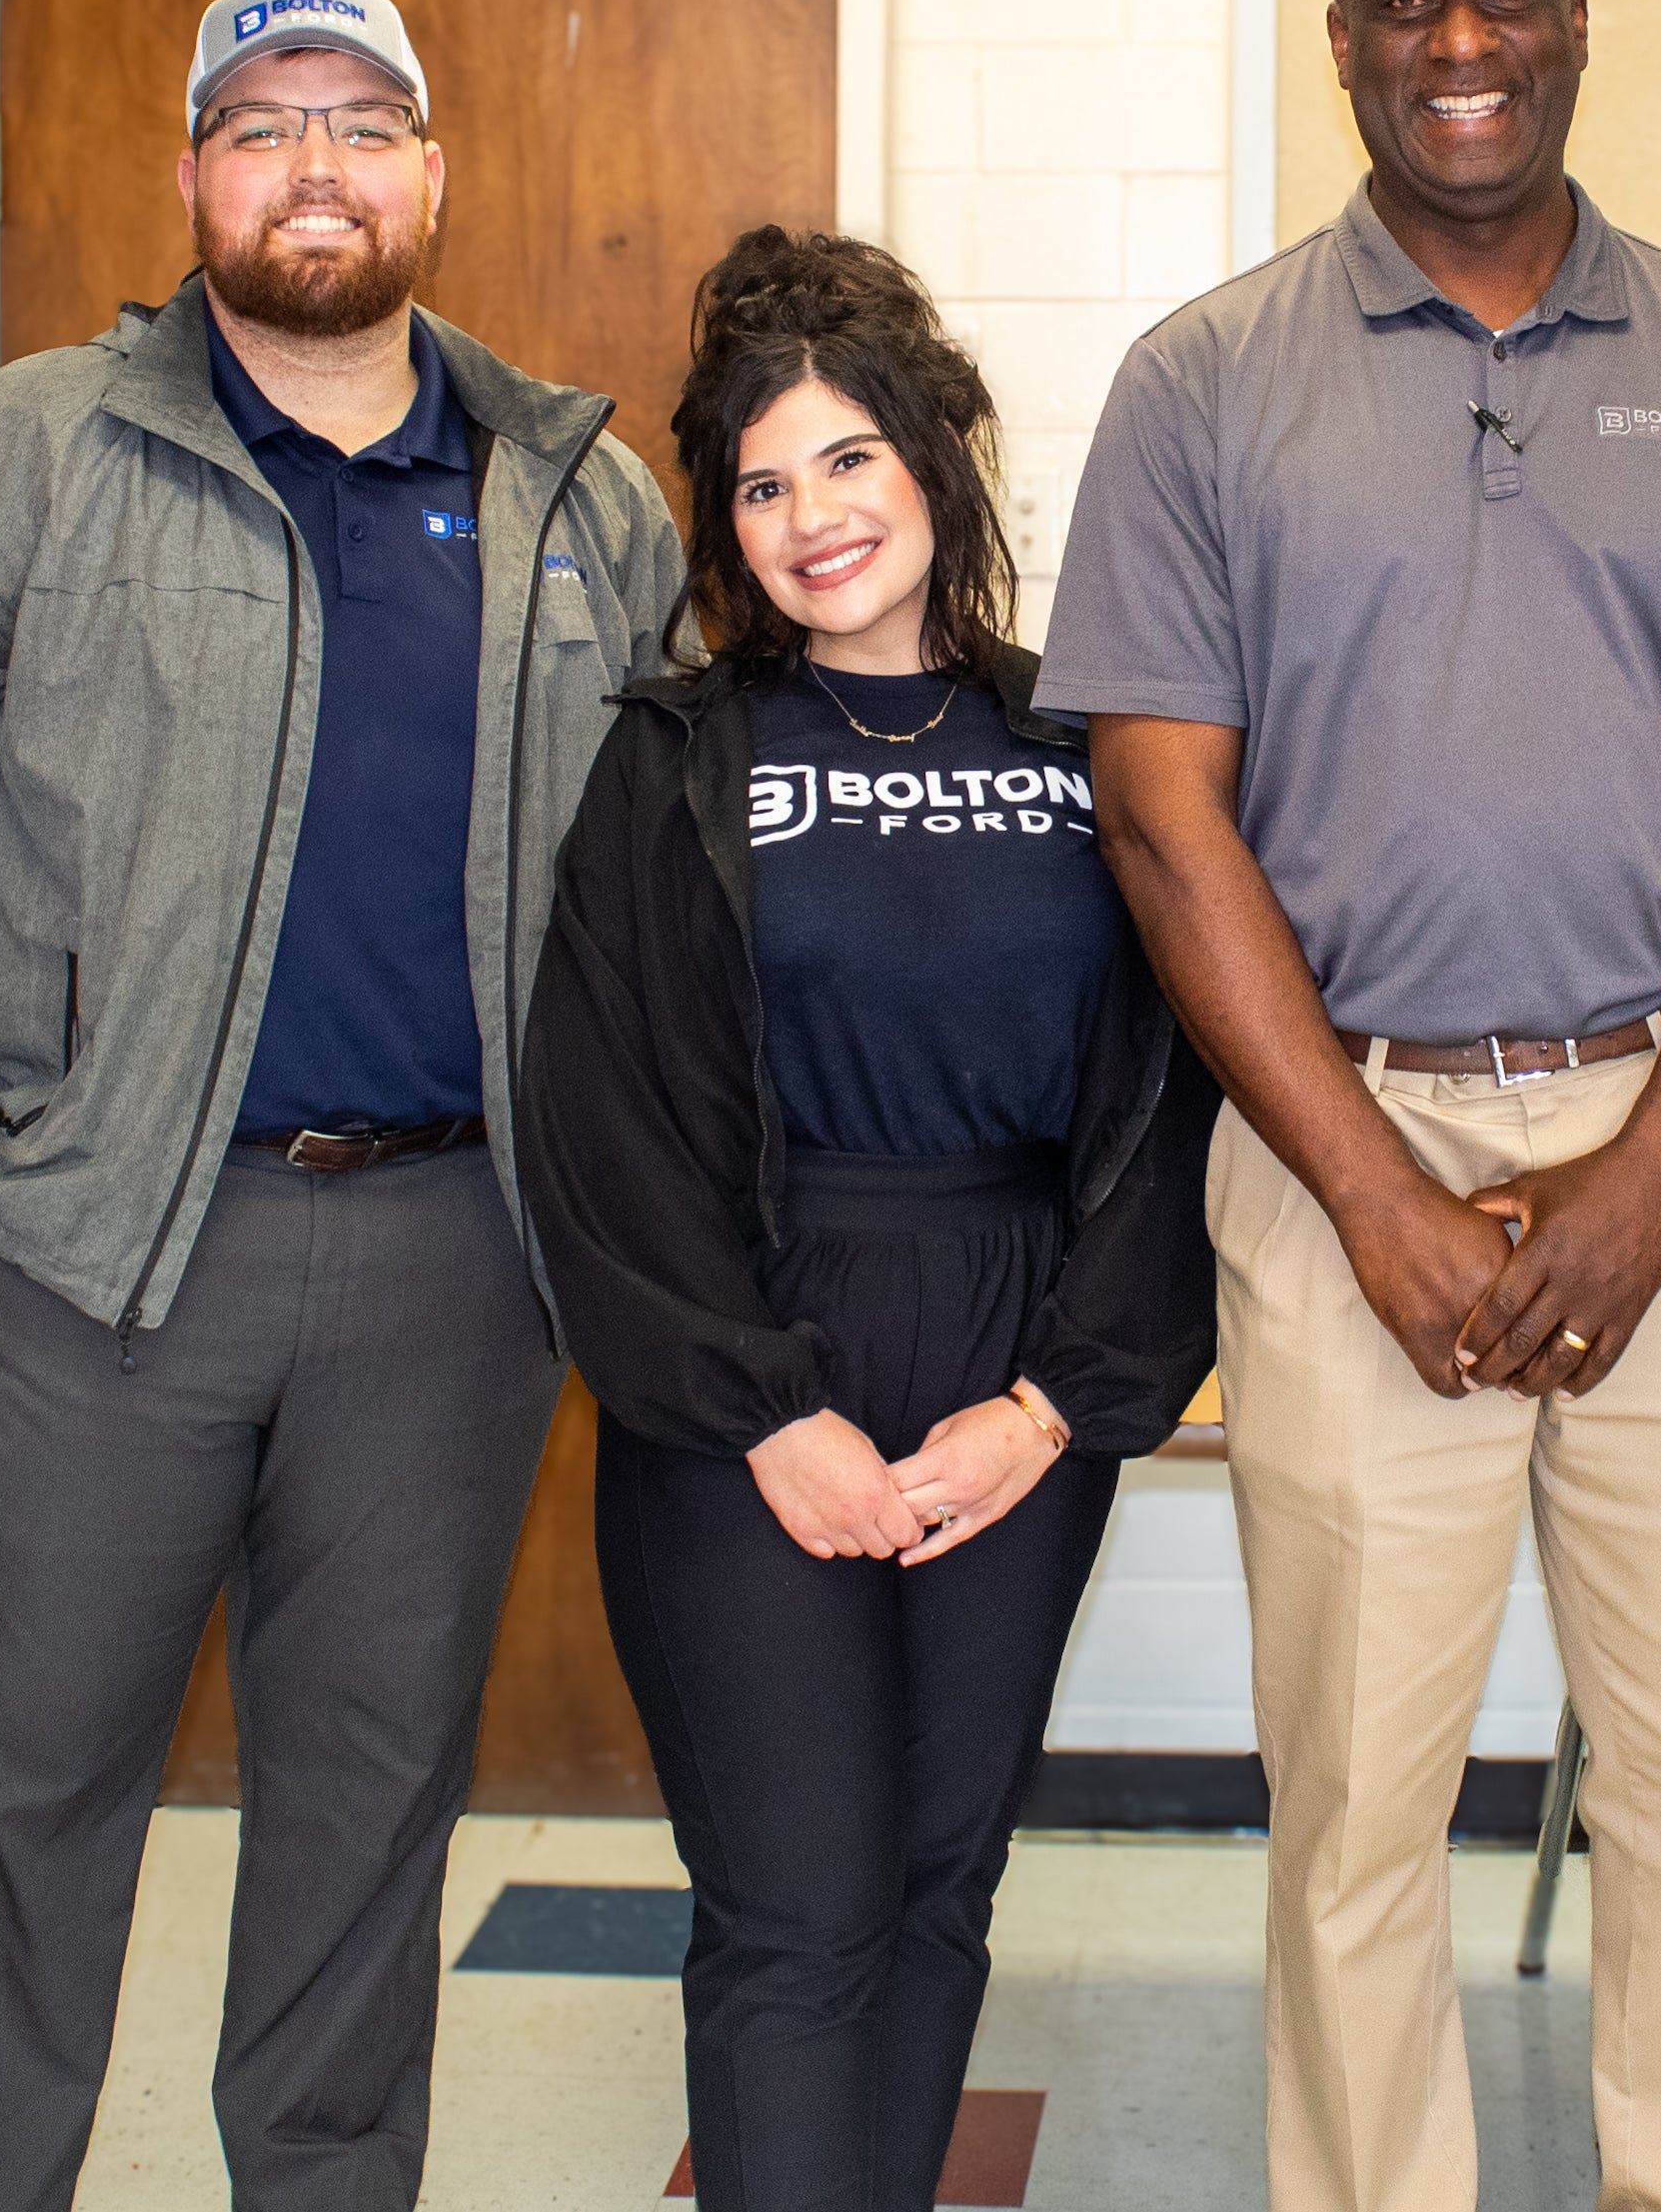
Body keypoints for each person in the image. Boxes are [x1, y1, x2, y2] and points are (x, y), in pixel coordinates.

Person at [1040, 0, 1661, 2212]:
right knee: (1353, 1807)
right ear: (1335, 43)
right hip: (1336, 1152)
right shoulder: (1204, 381)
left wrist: (1647, 1174)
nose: (1456, 38)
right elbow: (1157, 821)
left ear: (1574, 22)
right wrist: (1377, 1201)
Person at [0, 0, 688, 2212]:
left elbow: (660, 902)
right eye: (263, 123)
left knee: (370, 1814)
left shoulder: (583, 500)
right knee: (19, 1797)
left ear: (430, 176)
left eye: (360, 122)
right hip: (80, 1266)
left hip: (452, 1265)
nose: (314, 165)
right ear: (189, 173)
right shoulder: (18, 460)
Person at [519, 228, 1221, 2210]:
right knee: (794, 1903)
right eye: (759, 481)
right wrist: (760, 1408)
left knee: (934, 1881)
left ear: (932, 460)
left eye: (843, 460)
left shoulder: (1081, 741)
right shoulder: (672, 764)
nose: (808, 514)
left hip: (1018, 1348)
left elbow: (1171, 1088)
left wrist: (1057, 1399)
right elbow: (604, 1112)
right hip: (754, 1348)